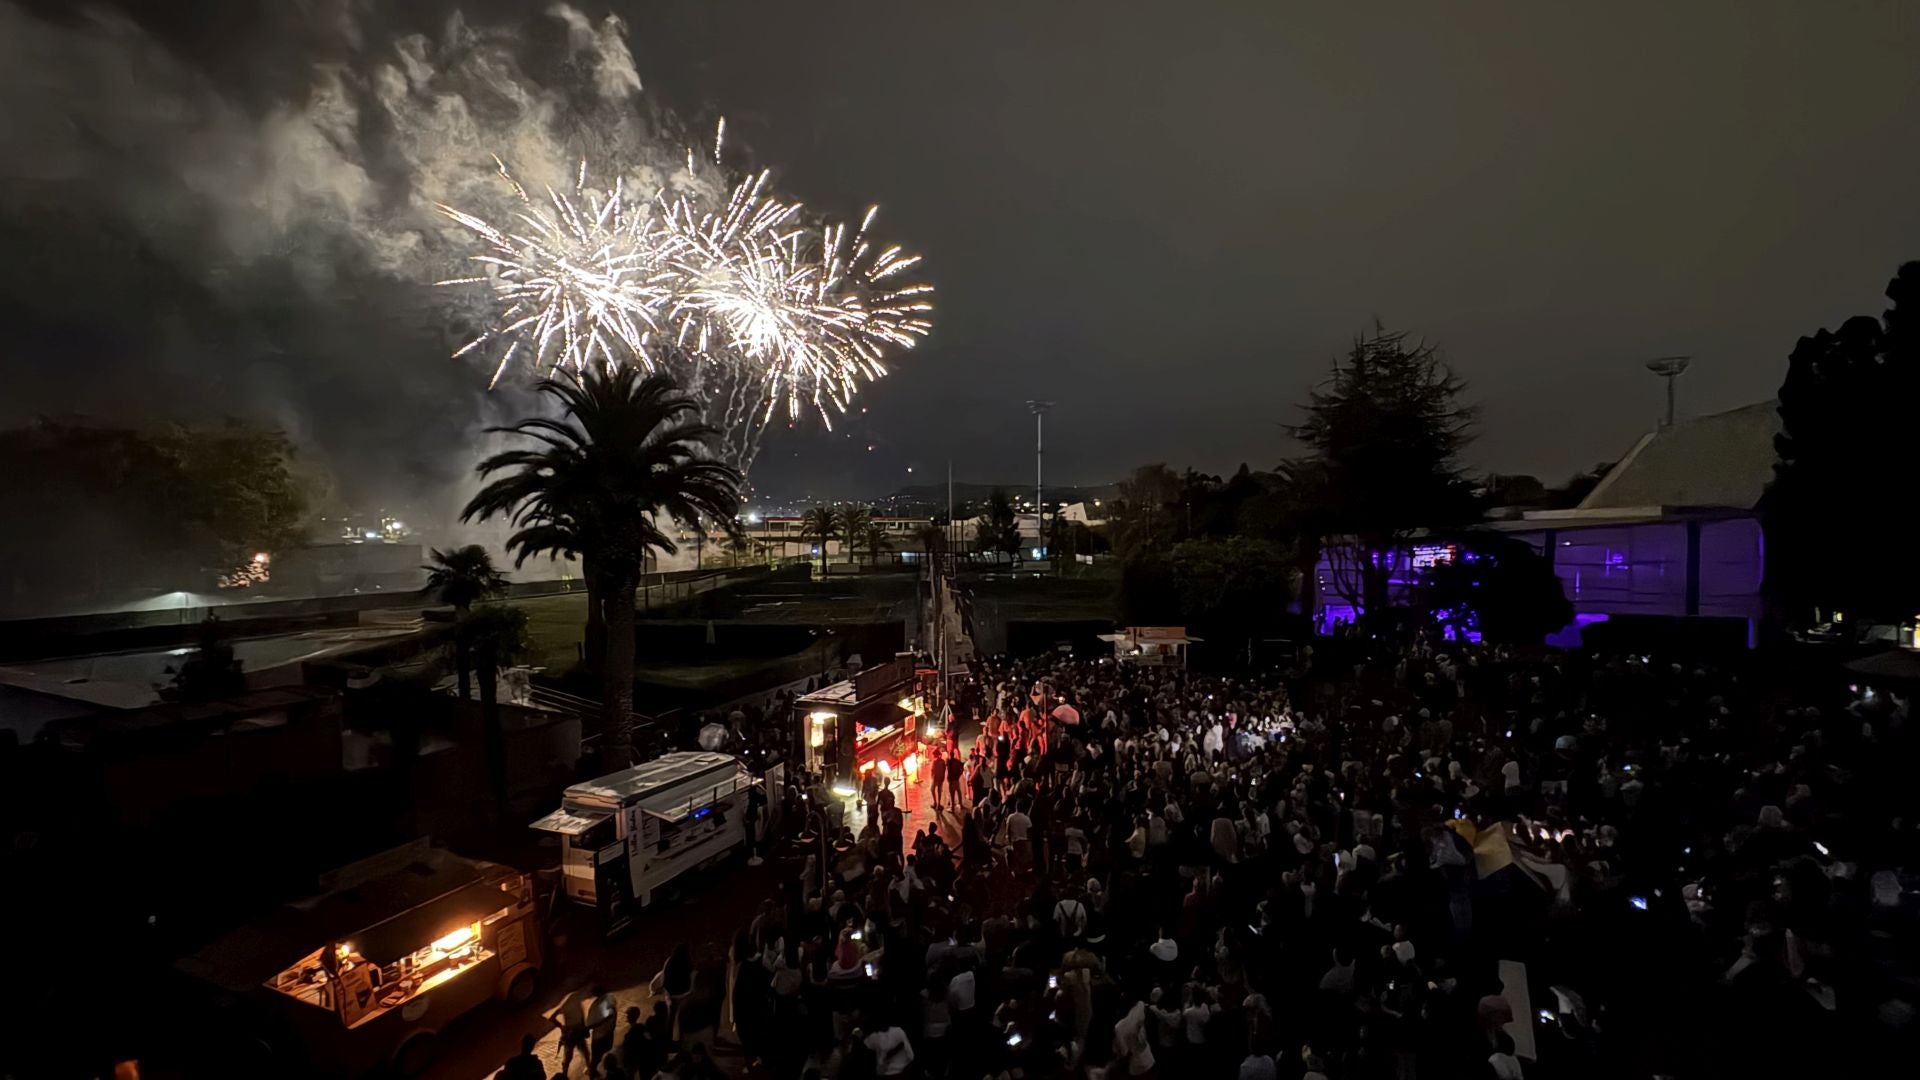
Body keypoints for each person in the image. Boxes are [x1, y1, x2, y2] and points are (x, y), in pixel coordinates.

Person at [551, 988, 591, 1077]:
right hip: (576, 1033)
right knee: (584, 1052)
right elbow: (581, 1017)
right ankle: (589, 1069)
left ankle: (564, 1075)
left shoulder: (566, 1004)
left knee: (569, 1056)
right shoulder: (573, 1002)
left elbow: (552, 1018)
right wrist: (585, 1029)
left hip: (570, 1034)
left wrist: (561, 1027)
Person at [587, 985, 618, 1075]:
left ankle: (593, 1071)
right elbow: (613, 1012)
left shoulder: (598, 1004)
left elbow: (610, 1015)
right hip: (604, 1034)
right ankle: (593, 1071)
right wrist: (613, 1025)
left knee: (597, 1057)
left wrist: (587, 1028)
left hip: (600, 1036)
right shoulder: (608, 997)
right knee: (600, 1056)